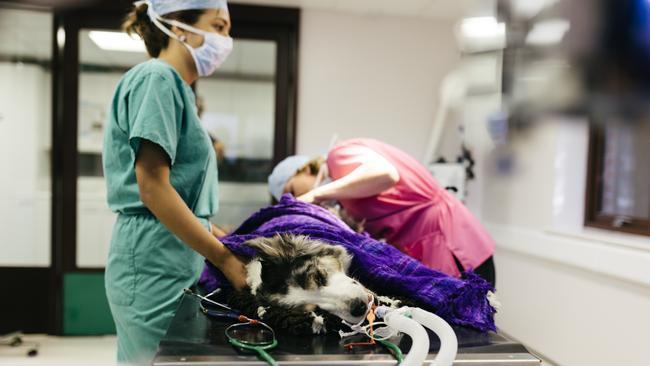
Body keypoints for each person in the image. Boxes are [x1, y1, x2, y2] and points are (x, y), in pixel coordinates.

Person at [102, 1, 246, 364]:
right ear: (179, 28)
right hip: (153, 259)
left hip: (170, 256)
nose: (226, 40)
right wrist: (224, 259)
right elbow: (152, 186)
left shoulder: (179, 90)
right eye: (218, 26)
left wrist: (213, 233)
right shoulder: (158, 79)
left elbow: (178, 190)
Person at [268, 138, 496, 286]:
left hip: (453, 245)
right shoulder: (345, 197)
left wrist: (316, 195)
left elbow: (386, 173)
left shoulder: (339, 155)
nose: (295, 199)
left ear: (306, 168)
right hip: (428, 250)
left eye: (291, 189)